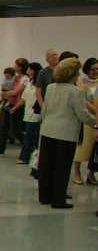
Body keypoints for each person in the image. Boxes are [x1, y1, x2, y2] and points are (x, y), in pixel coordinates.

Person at [38, 58, 96, 209]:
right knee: (61, 168)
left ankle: (44, 196)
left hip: (48, 130)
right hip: (65, 133)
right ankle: (58, 200)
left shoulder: (50, 87)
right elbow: (82, 115)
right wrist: (95, 123)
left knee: (46, 165)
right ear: (72, 74)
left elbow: (45, 109)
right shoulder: (76, 91)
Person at [0, 58, 29, 157]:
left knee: (16, 130)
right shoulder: (15, 78)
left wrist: (4, 93)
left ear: (20, 67)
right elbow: (10, 89)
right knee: (5, 127)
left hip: (18, 106)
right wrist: (6, 95)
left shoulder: (25, 79)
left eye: (15, 64)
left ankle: (29, 146)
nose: (14, 66)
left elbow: (16, 92)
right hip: (10, 104)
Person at [72, 57, 98, 185]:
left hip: (97, 117)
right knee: (83, 147)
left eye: (97, 69)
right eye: (92, 69)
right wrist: (93, 110)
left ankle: (91, 173)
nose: (95, 71)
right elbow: (81, 99)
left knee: (95, 149)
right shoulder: (80, 82)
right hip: (86, 118)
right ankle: (77, 172)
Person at [17, 62, 43, 166]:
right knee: (29, 135)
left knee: (30, 136)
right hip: (27, 113)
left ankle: (24, 157)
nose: (28, 72)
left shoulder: (40, 84)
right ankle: (30, 156)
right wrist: (15, 107)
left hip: (36, 114)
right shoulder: (29, 82)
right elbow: (24, 98)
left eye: (30, 69)